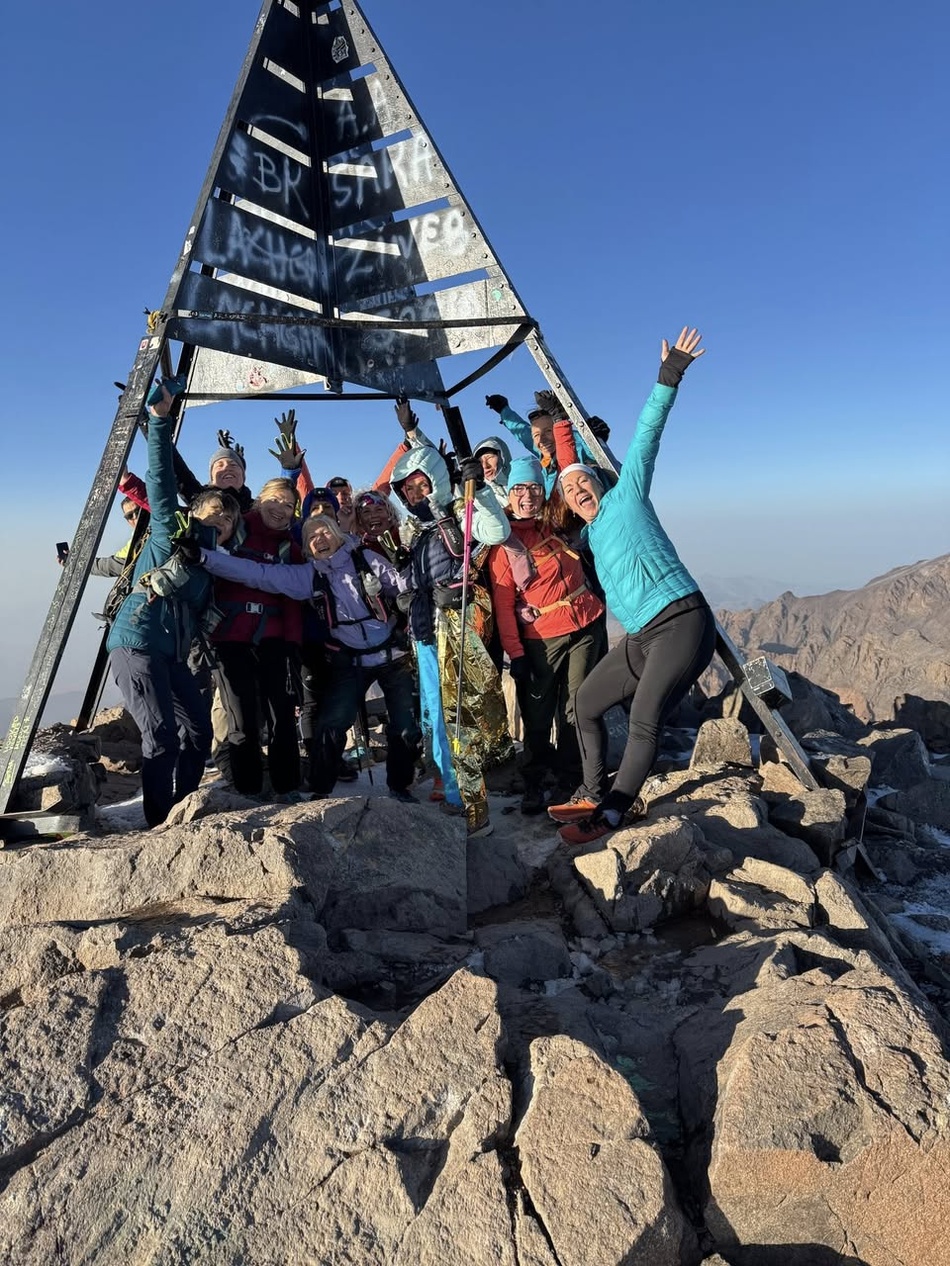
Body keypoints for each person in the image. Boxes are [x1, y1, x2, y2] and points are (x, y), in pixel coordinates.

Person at [546, 327, 717, 846]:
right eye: (570, 490)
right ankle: (594, 791)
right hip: (643, 636)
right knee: (586, 702)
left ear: (602, 483)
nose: (579, 490)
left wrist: (670, 375)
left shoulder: (629, 497)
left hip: (683, 622)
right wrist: (555, 430)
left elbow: (647, 435)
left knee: (643, 721)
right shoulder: (590, 535)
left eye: (585, 482)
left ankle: (615, 813)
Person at [187, 512, 420, 801]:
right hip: (352, 661)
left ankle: (400, 786)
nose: (319, 539)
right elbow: (256, 573)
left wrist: (406, 590)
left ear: (337, 533)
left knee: (405, 725)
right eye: (311, 537)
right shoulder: (308, 576)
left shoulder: (367, 560)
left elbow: (403, 586)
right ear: (306, 547)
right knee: (331, 724)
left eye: (324, 532)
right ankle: (321, 788)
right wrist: (204, 558)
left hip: (392, 655)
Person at [389, 400, 511, 837]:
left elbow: (497, 533)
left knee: (461, 714)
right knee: (434, 713)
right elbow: (431, 467)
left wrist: (475, 493)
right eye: (406, 489)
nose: (412, 494)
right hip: (425, 630)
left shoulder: (459, 514)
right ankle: (448, 784)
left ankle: (473, 808)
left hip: (456, 631)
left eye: (419, 486)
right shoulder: (420, 531)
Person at [105, 382, 218, 828]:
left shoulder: (212, 565)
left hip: (169, 654)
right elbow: (161, 480)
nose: (217, 518)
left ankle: (183, 808)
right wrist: (157, 422)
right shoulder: (168, 532)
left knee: (199, 731)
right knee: (161, 738)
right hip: (136, 641)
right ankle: (157, 822)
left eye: (224, 516)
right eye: (209, 511)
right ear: (196, 514)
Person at [487, 454, 607, 814]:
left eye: (535, 488)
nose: (528, 495)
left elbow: (569, 469)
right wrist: (516, 655)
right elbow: (504, 607)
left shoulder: (556, 522)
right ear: (508, 494)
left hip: (586, 625)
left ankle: (572, 777)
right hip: (540, 639)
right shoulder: (503, 547)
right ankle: (536, 778)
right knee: (537, 713)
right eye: (520, 488)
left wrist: (562, 425)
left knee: (577, 706)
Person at [208, 477, 304, 799]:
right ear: (259, 500)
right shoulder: (234, 529)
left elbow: (292, 599)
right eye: (275, 500)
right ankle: (248, 789)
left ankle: (287, 786)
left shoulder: (289, 546)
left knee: (281, 716)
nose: (280, 509)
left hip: (275, 639)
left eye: (289, 505)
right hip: (230, 638)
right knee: (243, 717)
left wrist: (292, 643)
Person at [485, 393, 603, 498]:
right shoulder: (546, 456)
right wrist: (504, 411)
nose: (541, 440)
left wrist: (594, 439)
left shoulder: (576, 447)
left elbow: (590, 453)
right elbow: (525, 433)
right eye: (536, 435)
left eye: (548, 431)